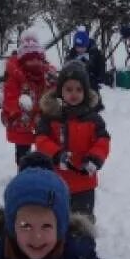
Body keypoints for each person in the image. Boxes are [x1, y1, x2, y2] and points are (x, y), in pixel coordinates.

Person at [35, 62, 110, 221]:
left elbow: (102, 141)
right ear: (60, 91)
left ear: (86, 91)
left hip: (84, 183)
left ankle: (84, 244)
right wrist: (56, 154)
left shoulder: (93, 119)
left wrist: (94, 158)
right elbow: (41, 139)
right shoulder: (51, 117)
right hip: (56, 182)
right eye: (68, 89)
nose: (73, 94)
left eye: (78, 89)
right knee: (56, 220)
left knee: (82, 223)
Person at [1, 28, 56, 166]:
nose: (34, 63)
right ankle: (23, 171)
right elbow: (10, 97)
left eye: (37, 59)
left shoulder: (46, 75)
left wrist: (53, 83)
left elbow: (54, 94)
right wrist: (15, 111)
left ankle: (43, 171)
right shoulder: (15, 77)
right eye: (30, 60)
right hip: (21, 121)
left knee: (44, 148)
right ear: (23, 61)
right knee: (23, 152)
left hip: (41, 119)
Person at [64, 26, 107, 93]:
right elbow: (66, 68)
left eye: (82, 47)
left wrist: (99, 78)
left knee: (94, 101)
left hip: (91, 85)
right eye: (77, 47)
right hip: (76, 87)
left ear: (87, 45)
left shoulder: (95, 54)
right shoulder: (72, 54)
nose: (79, 49)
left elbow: (101, 67)